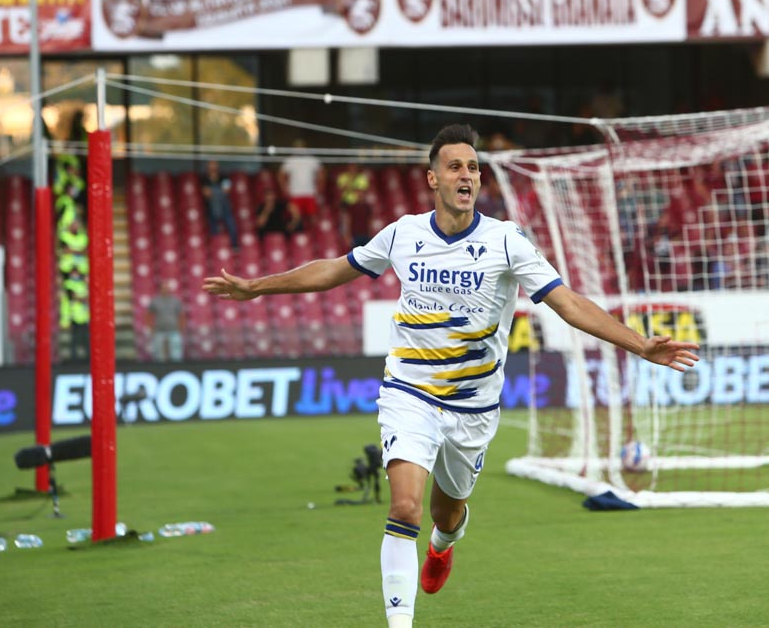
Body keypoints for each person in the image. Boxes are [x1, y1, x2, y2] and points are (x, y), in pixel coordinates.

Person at [203, 124, 701, 628]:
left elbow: (567, 303)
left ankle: (443, 546)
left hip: (473, 408)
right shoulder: (402, 233)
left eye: (473, 167)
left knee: (445, 515)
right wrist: (257, 287)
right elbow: (335, 269)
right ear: (432, 180)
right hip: (408, 390)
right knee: (404, 508)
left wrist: (640, 344)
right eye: (455, 166)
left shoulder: (506, 241)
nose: (466, 175)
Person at [278, 139, 325, 222]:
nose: (299, 149)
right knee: (296, 218)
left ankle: (314, 234)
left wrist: (319, 188)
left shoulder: (312, 160)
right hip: (295, 193)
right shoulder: (289, 161)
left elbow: (321, 173)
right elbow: (281, 175)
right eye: (297, 147)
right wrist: (284, 188)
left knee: (312, 217)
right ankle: (299, 235)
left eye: (301, 147)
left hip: (310, 193)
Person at [201, 160, 239, 249]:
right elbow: (207, 194)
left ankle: (234, 245)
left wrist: (214, 192)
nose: (213, 168)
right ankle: (216, 248)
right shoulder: (204, 179)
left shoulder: (224, 177)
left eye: (214, 166)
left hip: (225, 207)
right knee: (213, 229)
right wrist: (219, 191)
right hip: (211, 208)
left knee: (232, 226)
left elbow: (227, 190)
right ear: (208, 168)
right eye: (211, 166)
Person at [146, 281, 185, 362]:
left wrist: (181, 328)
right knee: (159, 354)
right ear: (160, 289)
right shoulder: (155, 301)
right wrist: (150, 327)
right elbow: (148, 315)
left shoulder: (175, 301)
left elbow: (181, 315)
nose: (165, 290)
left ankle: (176, 368)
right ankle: (159, 370)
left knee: (176, 353)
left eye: (167, 288)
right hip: (159, 331)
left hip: (173, 330)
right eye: (163, 288)